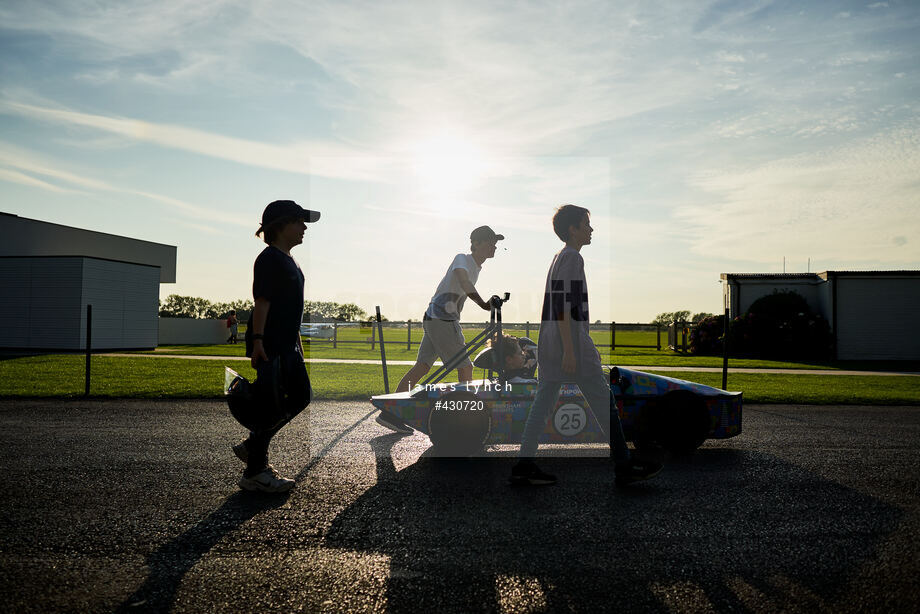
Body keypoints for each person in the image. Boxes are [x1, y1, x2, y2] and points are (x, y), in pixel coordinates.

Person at [510, 205, 662, 487]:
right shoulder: (571, 259)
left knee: (541, 406)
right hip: (572, 346)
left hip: (551, 344)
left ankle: (524, 465)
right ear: (573, 229)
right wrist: (570, 349)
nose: (591, 229)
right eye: (586, 224)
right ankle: (624, 465)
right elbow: (564, 307)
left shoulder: (559, 257)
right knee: (606, 405)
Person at [375, 226, 504, 433]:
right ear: (476, 243)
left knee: (423, 367)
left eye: (495, 242)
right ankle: (468, 421)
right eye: (490, 241)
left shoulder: (477, 268)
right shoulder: (463, 259)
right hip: (442, 319)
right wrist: (483, 304)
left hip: (435, 317)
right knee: (466, 368)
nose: (494, 245)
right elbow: (463, 280)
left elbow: (465, 285)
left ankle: (390, 414)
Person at [232, 200, 317, 493]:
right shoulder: (269, 259)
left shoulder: (289, 260)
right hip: (270, 345)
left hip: (286, 344)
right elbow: (262, 303)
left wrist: (297, 344)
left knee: (299, 397)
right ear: (282, 225)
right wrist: (257, 342)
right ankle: (255, 471)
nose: (304, 227)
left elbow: (289, 309)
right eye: (299, 221)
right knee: (275, 404)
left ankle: (253, 447)